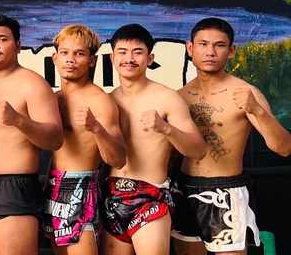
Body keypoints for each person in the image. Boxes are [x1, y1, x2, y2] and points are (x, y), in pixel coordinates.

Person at [171, 18, 291, 255]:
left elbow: (284, 148)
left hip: (226, 193)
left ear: (231, 51)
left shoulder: (246, 93)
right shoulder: (179, 96)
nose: (210, 52)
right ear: (190, 48)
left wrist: (256, 109)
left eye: (219, 45)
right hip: (183, 189)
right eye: (203, 44)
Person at [102, 24, 206, 255]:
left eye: (137, 52)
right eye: (122, 52)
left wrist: (165, 128)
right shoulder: (107, 101)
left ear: (150, 58)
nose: (129, 58)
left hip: (150, 197)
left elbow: (198, 150)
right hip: (112, 195)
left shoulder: (167, 98)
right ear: (112, 57)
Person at [0, 13, 63, 255]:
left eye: (2, 39)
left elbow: (55, 138)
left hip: (13, 189)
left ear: (18, 46)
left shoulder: (32, 84)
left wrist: (19, 120)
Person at [44, 25, 126, 255]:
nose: (71, 59)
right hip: (52, 187)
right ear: (55, 58)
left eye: (79, 54)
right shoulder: (53, 99)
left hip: (82, 186)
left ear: (91, 61)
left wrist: (96, 128)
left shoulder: (99, 100)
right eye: (65, 53)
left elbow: (118, 159)